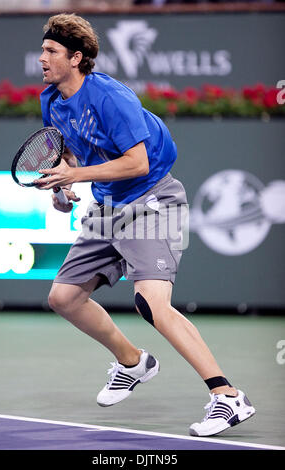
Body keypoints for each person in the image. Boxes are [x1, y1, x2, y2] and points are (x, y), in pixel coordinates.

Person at [35, 13, 255, 437]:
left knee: (152, 303)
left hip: (153, 201)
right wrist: (62, 186)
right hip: (106, 205)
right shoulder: (51, 98)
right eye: (42, 49)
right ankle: (134, 362)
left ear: (77, 57)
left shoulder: (110, 97)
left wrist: (75, 177)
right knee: (63, 298)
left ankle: (227, 397)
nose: (41, 58)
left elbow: (138, 162)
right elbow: (69, 152)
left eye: (50, 51)